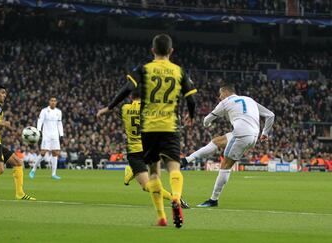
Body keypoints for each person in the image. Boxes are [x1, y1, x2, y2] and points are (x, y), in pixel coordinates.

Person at [97, 34, 197, 228]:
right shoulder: (179, 71)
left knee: (154, 174)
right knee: (174, 168)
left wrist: (108, 108)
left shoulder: (143, 70)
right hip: (170, 126)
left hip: (149, 128)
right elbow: (191, 99)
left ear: (152, 50)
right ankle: (176, 197)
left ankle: (161, 217)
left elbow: (127, 89)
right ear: (171, 51)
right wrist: (191, 116)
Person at [197, 82, 275, 207]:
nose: (219, 97)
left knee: (225, 165)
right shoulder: (249, 100)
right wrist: (265, 133)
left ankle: (213, 200)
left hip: (241, 134)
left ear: (226, 92)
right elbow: (271, 115)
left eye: (220, 94)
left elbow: (207, 120)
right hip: (254, 137)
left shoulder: (226, 102)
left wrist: (206, 124)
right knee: (227, 164)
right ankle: (213, 199)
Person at [119, 90, 190, 208]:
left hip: (134, 151)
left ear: (131, 96)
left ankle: (173, 198)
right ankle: (175, 198)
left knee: (148, 186)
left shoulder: (124, 108)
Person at [29, 96, 64, 180]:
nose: (53, 102)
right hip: (46, 135)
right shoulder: (44, 111)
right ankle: (33, 170)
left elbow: (59, 123)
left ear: (56, 102)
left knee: (55, 153)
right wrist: (39, 131)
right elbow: (40, 121)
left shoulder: (59, 112)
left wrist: (61, 134)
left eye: (54, 101)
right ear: (49, 102)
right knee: (43, 152)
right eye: (51, 101)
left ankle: (53, 174)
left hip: (55, 135)